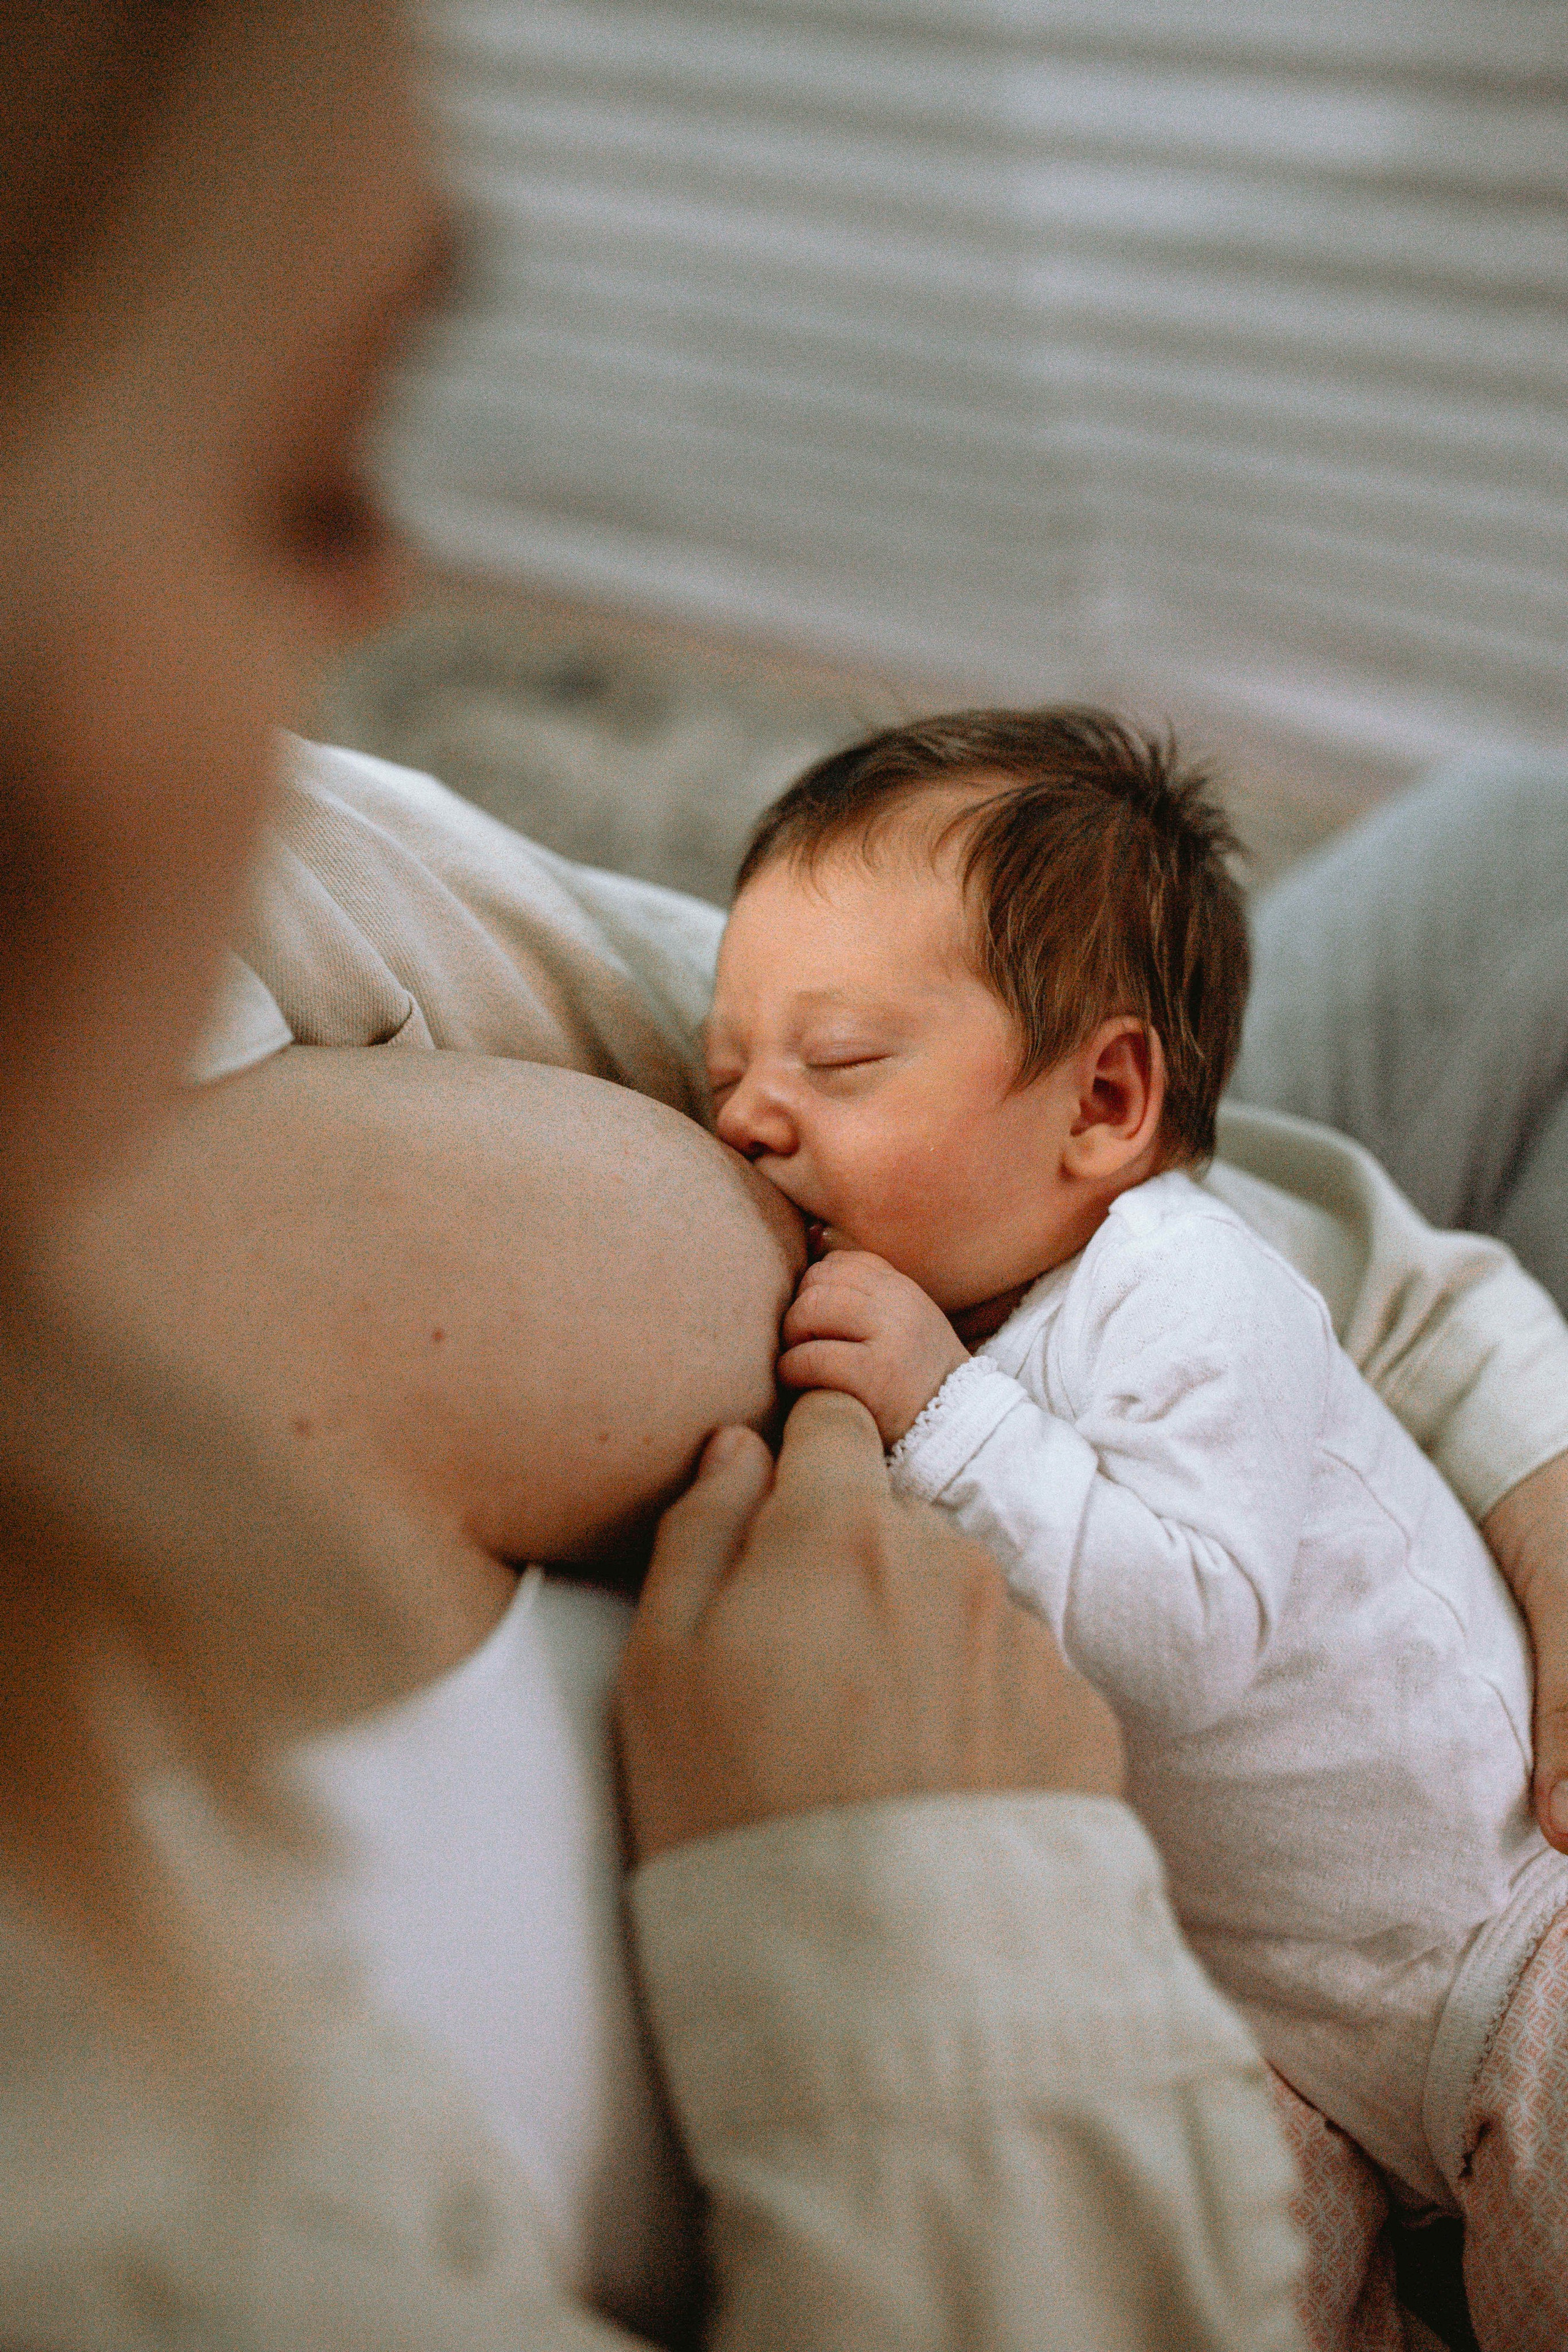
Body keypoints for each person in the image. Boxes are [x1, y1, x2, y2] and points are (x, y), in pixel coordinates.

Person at [2, 7, 1566, 2351]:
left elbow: (1108, 1164)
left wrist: (1507, 1424)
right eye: (284, 471)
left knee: (1528, 850)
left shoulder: (263, 914)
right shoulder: (136, 2201)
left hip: (1379, 1705)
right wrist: (930, 1911)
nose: (378, 601)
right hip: (1186, 2048)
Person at [704, 706, 1568, 2350]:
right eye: (724, 1067)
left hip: (1507, 1945)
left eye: (835, 1063)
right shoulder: (957, 1325)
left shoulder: (1188, 1280)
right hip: (1272, 2031)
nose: (749, 1117)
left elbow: (1182, 1637)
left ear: (1105, 1098)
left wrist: (940, 1417)